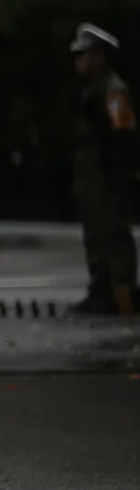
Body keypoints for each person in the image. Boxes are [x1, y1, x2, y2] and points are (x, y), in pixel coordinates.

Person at [69, 23, 137, 315]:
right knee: (96, 236)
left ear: (99, 56)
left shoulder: (112, 91)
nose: (78, 61)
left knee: (114, 237)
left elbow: (123, 134)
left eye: (84, 54)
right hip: (94, 178)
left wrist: (120, 173)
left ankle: (123, 298)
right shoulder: (94, 91)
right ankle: (101, 293)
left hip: (108, 179)